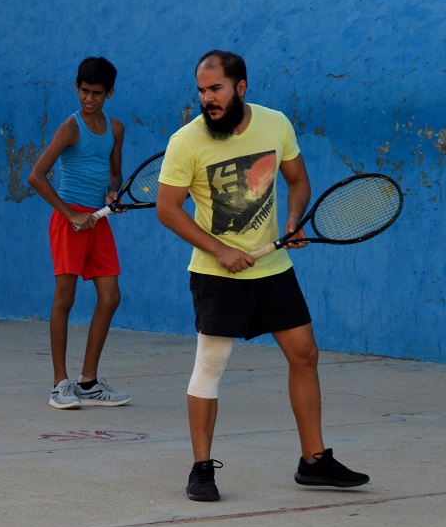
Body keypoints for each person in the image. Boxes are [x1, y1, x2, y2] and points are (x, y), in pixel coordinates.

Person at [156, 50, 369, 501]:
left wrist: (293, 221)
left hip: (273, 268)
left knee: (305, 355)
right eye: (201, 90)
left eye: (216, 88)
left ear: (241, 87)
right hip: (216, 274)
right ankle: (201, 470)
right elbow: (167, 209)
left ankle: (314, 461)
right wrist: (220, 250)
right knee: (210, 366)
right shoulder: (187, 141)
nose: (206, 98)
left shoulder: (275, 124)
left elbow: (298, 180)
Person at [28, 57, 132, 410]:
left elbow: (115, 174)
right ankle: (60, 384)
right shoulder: (69, 128)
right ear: (77, 88)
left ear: (110, 93)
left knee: (110, 297)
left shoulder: (116, 129)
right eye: (84, 91)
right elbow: (36, 176)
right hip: (68, 220)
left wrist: (112, 193)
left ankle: (88, 381)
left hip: (97, 222)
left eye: (97, 93)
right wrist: (70, 213)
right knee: (65, 299)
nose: (89, 99)